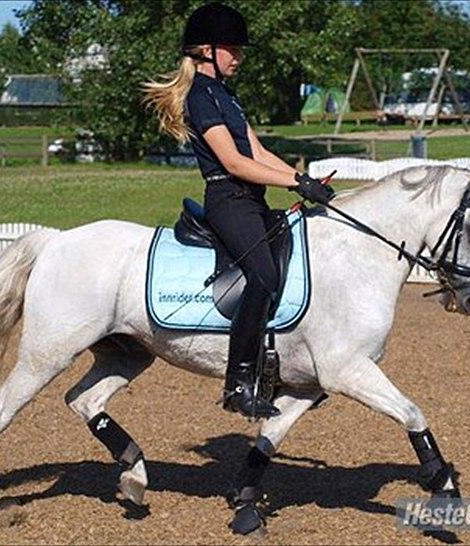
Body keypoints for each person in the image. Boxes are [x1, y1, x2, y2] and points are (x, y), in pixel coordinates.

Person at [143, 2, 334, 419]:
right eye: (232, 49)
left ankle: (279, 362)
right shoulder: (200, 97)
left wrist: (307, 181)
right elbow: (233, 163)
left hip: (252, 199)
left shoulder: (226, 95)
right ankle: (238, 384)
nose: (239, 57)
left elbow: (258, 151)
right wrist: (294, 183)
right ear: (207, 51)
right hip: (227, 199)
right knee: (262, 276)